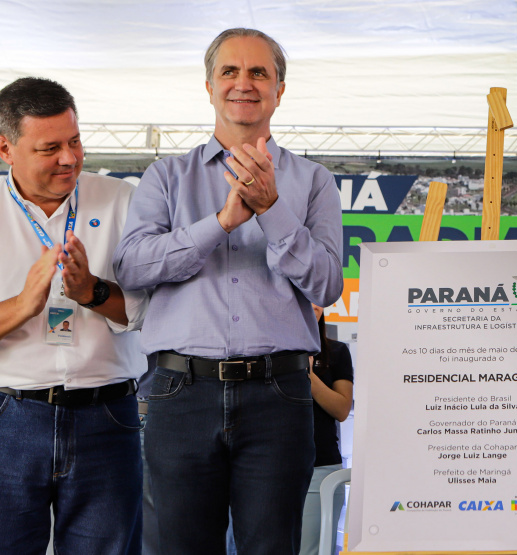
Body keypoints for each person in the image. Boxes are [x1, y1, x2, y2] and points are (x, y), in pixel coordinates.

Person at [113, 28, 344, 554]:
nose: (245, 83)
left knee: (271, 546)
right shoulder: (166, 177)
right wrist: (220, 221)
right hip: (179, 393)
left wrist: (272, 208)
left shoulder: (313, 182)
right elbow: (132, 266)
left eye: (259, 72)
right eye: (230, 71)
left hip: (280, 396)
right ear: (210, 86)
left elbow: (327, 284)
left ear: (280, 90)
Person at [0, 77, 147, 554]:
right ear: (6, 148)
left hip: (108, 416)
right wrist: (24, 305)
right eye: (50, 148)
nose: (69, 158)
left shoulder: (123, 200)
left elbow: (148, 311)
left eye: (75, 141)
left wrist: (92, 292)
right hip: (10, 415)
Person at [301, 304, 354, 555]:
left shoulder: (336, 351)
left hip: (319, 467)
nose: (314, 305)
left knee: (313, 549)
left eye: (318, 298)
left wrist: (307, 374)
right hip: (264, 465)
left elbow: (342, 409)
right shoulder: (263, 351)